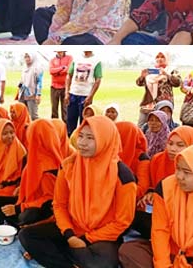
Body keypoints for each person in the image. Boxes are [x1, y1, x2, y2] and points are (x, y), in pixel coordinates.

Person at [18, 115, 136, 268]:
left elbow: (122, 221)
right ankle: (69, 260)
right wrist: (70, 235)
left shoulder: (123, 176)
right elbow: (59, 204)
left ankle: (59, 253)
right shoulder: (68, 165)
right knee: (27, 236)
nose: (82, 143)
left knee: (102, 264)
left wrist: (85, 239)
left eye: (90, 138)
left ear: (105, 140)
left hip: (102, 236)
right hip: (71, 228)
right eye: (80, 136)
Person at [119, 144, 193, 268]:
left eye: (187, 172)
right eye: (178, 169)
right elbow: (160, 230)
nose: (179, 176)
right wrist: (163, 265)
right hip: (172, 250)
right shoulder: (165, 187)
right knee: (129, 250)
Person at [0, 118, 65, 228]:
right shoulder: (33, 156)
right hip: (27, 199)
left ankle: (21, 226)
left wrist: (19, 208)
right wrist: (21, 187)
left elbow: (50, 200)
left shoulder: (49, 167)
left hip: (38, 207)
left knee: (25, 217)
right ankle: (12, 227)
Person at [136, 51, 181, 128]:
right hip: (149, 103)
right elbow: (139, 83)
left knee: (162, 126)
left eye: (162, 57)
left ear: (167, 58)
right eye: (158, 57)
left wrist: (166, 74)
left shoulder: (172, 71)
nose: (160, 59)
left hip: (164, 105)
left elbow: (177, 83)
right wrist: (142, 76)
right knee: (142, 126)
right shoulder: (151, 71)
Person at [65, 50, 102, 135]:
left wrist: (90, 96)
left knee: (84, 121)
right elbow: (69, 75)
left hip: (85, 96)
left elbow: (98, 80)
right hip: (73, 94)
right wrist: (67, 93)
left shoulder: (96, 61)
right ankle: (70, 143)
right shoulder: (76, 59)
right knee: (70, 121)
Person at [17, 53, 43, 120]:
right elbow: (22, 79)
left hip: (32, 94)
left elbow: (39, 82)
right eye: (25, 57)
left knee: (34, 116)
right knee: (22, 115)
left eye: (28, 57)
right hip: (22, 93)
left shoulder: (37, 68)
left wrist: (38, 94)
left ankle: (36, 128)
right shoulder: (24, 67)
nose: (27, 59)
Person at [49, 51, 72, 121]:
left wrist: (57, 72)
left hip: (65, 87)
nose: (59, 52)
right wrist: (61, 68)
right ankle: (54, 126)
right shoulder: (52, 60)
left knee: (65, 109)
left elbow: (68, 70)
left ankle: (65, 128)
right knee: (54, 108)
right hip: (54, 87)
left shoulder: (69, 58)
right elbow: (51, 71)